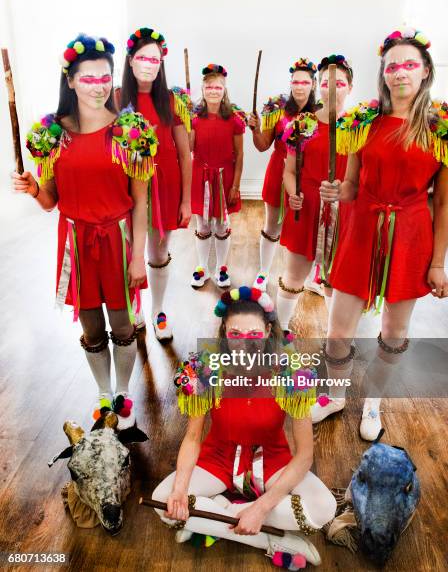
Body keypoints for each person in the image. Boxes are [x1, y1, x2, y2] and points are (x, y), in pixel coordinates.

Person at [13, 33, 154, 428]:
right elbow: (50, 201)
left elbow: (141, 201)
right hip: (76, 241)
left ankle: (123, 392)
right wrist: (33, 187)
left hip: (118, 237)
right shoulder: (53, 135)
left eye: (105, 77)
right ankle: (103, 391)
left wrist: (137, 254)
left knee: (123, 323)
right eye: (88, 78)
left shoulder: (130, 132)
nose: (99, 86)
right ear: (70, 81)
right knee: (92, 325)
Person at [314, 27, 448, 439]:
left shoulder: (440, 129)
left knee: (393, 332)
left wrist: (438, 263)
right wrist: (339, 192)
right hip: (361, 229)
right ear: (383, 74)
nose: (399, 73)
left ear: (425, 71)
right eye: (392, 66)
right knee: (339, 330)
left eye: (409, 64)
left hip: (410, 234)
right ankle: (335, 394)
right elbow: (352, 183)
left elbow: (442, 203)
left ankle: (373, 400)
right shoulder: (363, 122)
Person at [152, 286, 336, 565]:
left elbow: (305, 455)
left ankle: (214, 515)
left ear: (267, 330)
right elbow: (192, 438)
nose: (244, 345)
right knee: (163, 499)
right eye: (235, 335)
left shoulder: (292, 371)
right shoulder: (205, 368)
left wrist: (261, 509)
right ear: (224, 330)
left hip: (272, 458)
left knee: (325, 507)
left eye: (254, 335)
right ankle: (277, 541)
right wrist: (179, 490)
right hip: (218, 457)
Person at [120, 27, 192, 343]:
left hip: (165, 186)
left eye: (155, 58)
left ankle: (158, 310)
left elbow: (184, 154)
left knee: (158, 252)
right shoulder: (116, 98)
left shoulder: (171, 101)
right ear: (131, 61)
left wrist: (186, 200)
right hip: (125, 187)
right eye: (142, 57)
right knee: (128, 249)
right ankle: (134, 306)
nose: (149, 64)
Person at [277, 55, 353, 335]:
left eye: (340, 83)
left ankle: (335, 339)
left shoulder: (359, 127)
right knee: (294, 276)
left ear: (350, 88)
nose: (332, 89)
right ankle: (280, 332)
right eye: (325, 83)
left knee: (335, 279)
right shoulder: (303, 124)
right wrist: (293, 193)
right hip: (306, 207)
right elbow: (289, 172)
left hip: (344, 211)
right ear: (317, 87)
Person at [248, 59, 317, 292]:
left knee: (306, 229)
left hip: (308, 176)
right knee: (272, 225)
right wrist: (255, 129)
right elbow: (262, 145)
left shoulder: (320, 114)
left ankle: (307, 278)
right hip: (278, 171)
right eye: (295, 82)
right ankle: (263, 271)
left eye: (305, 82)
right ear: (290, 83)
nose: (299, 86)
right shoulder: (276, 111)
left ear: (313, 84)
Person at [189, 64, 245, 289]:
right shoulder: (193, 118)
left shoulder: (234, 119)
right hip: (200, 175)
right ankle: (202, 267)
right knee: (202, 224)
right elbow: (190, 148)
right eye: (209, 87)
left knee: (221, 224)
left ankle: (222, 268)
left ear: (224, 90)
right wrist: (186, 127)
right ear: (202, 89)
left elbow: (240, 154)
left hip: (224, 177)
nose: (213, 91)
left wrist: (236, 185)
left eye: (217, 87)